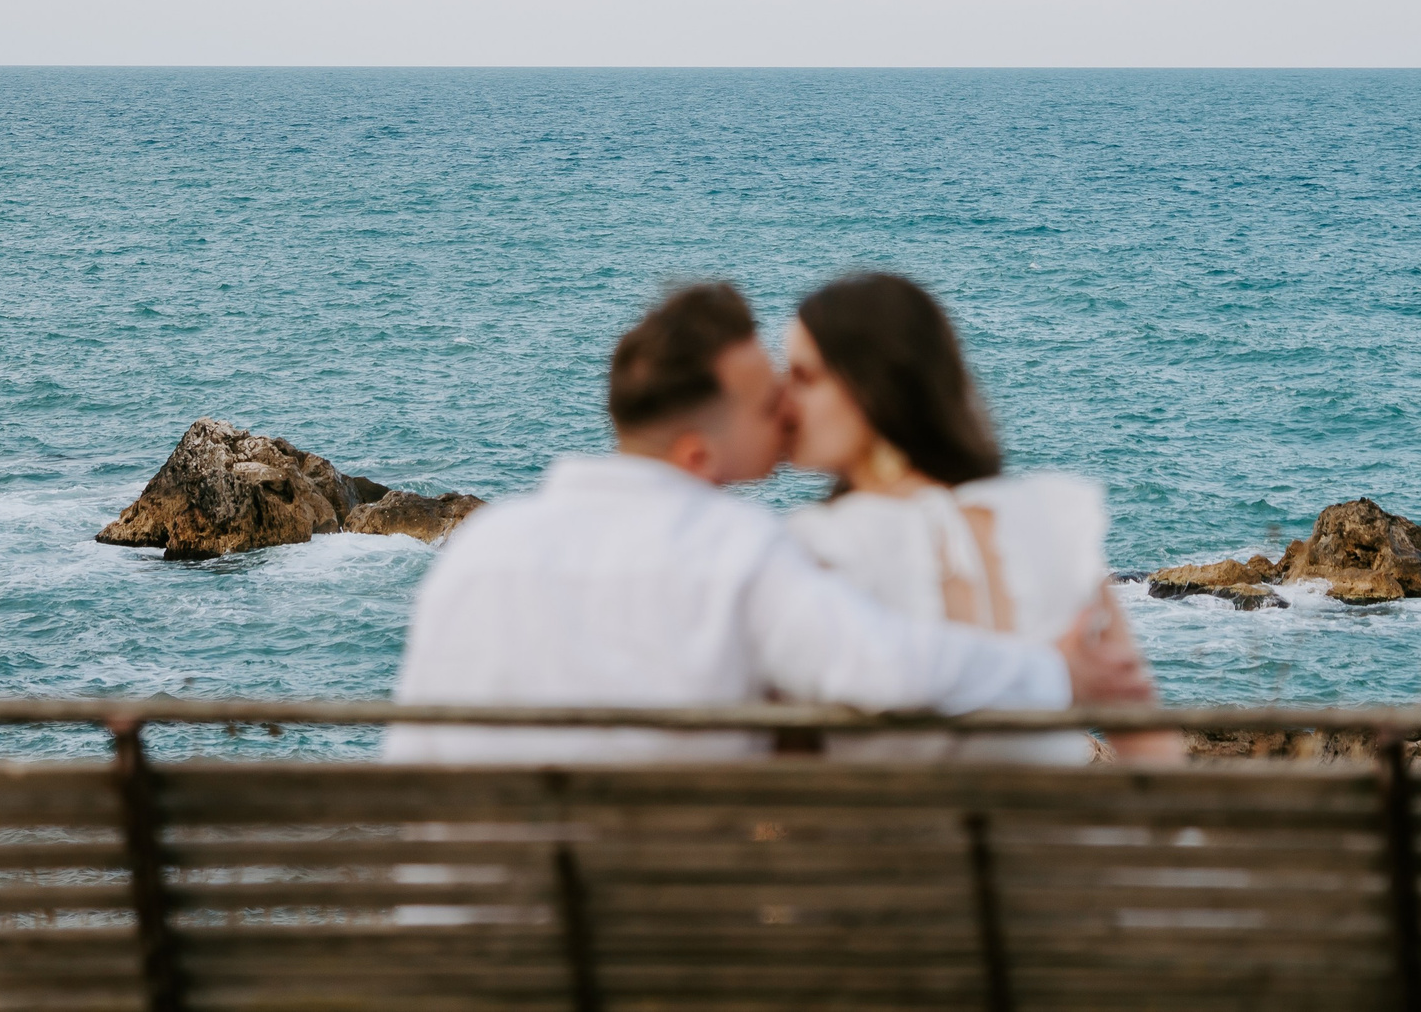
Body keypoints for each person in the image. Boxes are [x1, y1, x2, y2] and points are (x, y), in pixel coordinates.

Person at [385, 281, 1152, 763]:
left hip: (457, 943)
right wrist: (1057, 672)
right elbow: (883, 669)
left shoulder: (482, 544)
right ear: (696, 453)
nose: (789, 408)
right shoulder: (734, 552)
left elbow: (408, 754)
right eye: (767, 402)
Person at [783, 271, 1180, 764]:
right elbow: (1147, 742)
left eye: (802, 377)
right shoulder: (1050, 524)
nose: (782, 401)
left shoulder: (818, 545)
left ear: (870, 387)